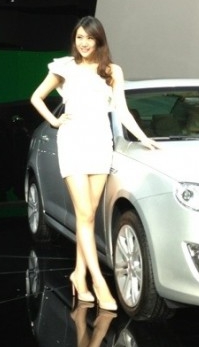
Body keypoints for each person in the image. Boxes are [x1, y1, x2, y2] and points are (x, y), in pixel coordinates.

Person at [30, 16, 159, 309]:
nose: (84, 43)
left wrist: (144, 138)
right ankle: (100, 283)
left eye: (89, 38)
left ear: (99, 40)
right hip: (73, 143)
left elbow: (122, 111)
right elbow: (36, 97)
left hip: (100, 144)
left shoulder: (111, 71)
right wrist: (54, 121)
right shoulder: (64, 67)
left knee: (87, 218)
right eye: (79, 38)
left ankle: (78, 275)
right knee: (84, 213)